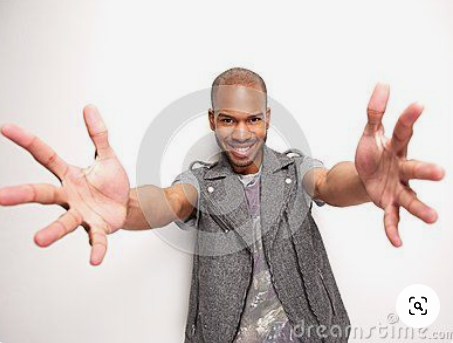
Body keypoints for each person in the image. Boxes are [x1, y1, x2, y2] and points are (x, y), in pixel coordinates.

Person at [0, 68, 445, 343]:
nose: (241, 133)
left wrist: (366, 184)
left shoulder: (294, 171)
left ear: (268, 118)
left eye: (253, 119)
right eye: (228, 119)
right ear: (213, 120)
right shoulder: (200, 180)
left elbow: (329, 184)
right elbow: (170, 202)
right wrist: (125, 206)